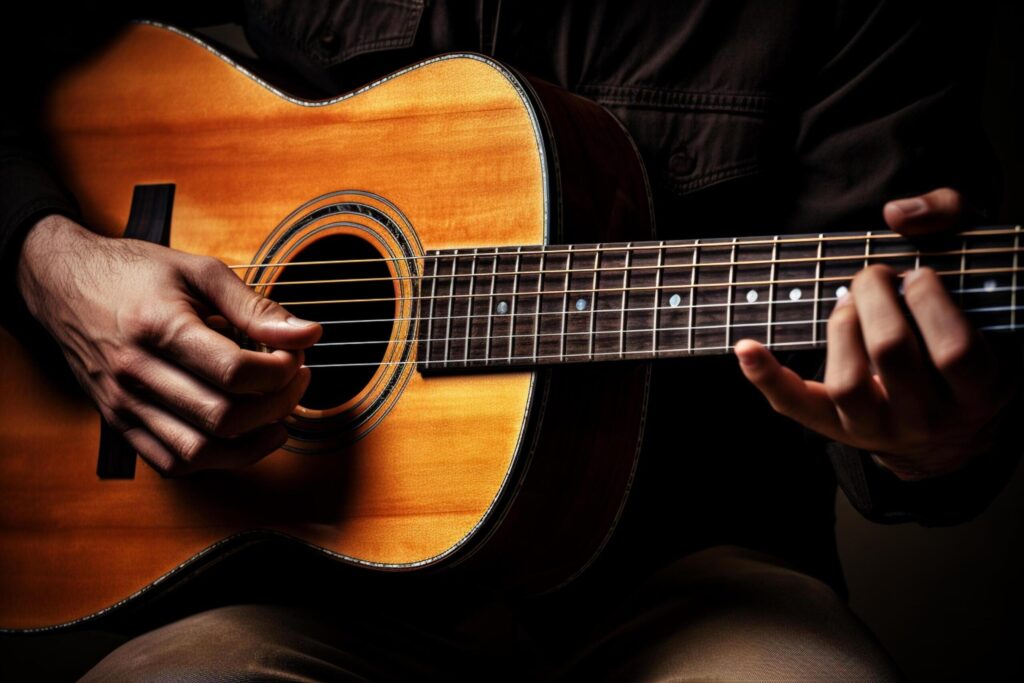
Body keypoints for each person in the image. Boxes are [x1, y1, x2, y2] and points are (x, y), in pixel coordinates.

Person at [1, 1, 1018, 679]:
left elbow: (915, 425)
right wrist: (48, 259)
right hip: (283, 585)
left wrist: (933, 436)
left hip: (687, 582)